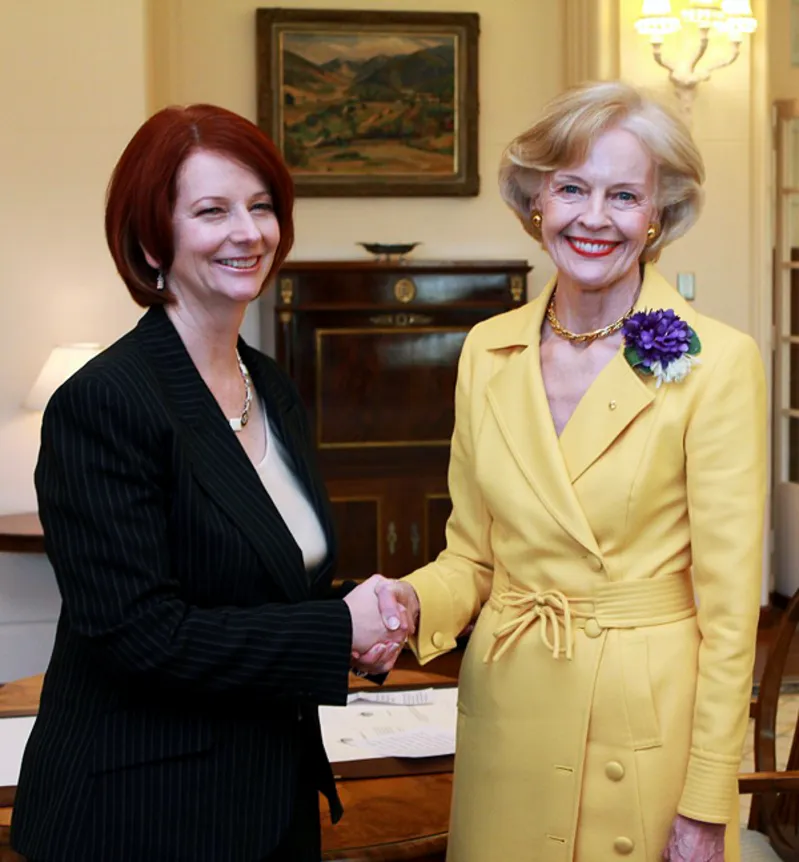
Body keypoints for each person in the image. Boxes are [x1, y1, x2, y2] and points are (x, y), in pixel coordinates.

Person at [374, 81, 767, 861]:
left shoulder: (717, 361)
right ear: (535, 202)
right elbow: (473, 557)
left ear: (659, 214)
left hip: (642, 735)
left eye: (623, 194)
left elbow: (728, 619)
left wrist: (705, 801)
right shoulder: (487, 350)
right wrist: (405, 604)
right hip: (509, 716)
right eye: (571, 188)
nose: (593, 217)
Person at [10, 104, 407, 862]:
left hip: (267, 798)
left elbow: (261, 582)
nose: (247, 232)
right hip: (139, 815)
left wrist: (363, 614)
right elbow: (141, 635)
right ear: (151, 235)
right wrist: (334, 631)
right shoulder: (104, 402)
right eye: (212, 210)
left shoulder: (269, 385)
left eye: (261, 207)